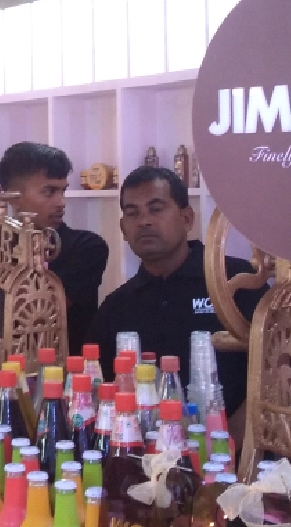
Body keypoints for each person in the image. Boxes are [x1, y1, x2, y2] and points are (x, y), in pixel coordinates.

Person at [88, 166, 267, 444]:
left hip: (237, 451)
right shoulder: (116, 307)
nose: (144, 221)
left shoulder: (238, 280)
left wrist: (231, 441)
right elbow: (101, 392)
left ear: (186, 218)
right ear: (123, 228)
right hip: (144, 455)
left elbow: (277, 369)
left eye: (156, 209)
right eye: (132, 213)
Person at [0, 142, 108, 356]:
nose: (61, 202)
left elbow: (40, 312)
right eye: (49, 192)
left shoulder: (87, 247)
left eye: (62, 191)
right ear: (12, 198)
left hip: (67, 371)